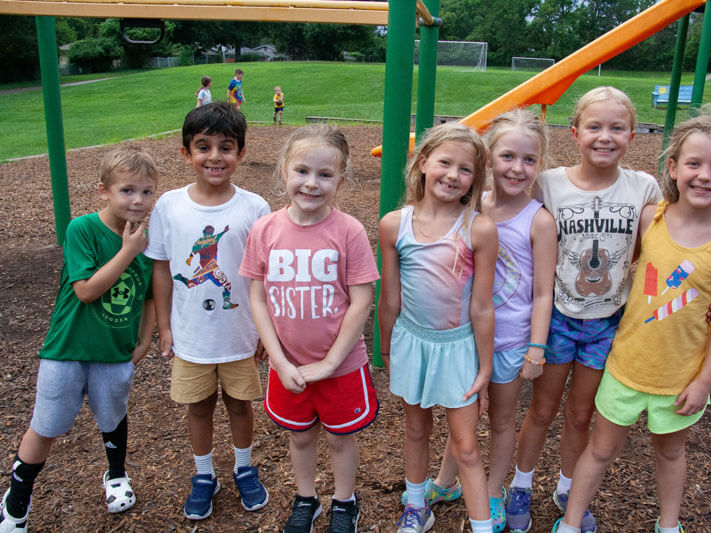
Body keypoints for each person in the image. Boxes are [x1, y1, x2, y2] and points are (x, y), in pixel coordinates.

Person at [553, 107, 711, 533]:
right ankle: (570, 522)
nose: (704, 175)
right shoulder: (651, 218)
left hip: (679, 378)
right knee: (601, 449)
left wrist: (705, 381)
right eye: (694, 163)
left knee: (670, 452)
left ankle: (669, 525)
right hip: (625, 366)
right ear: (673, 167)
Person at [512, 87, 662, 533]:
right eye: (594, 127)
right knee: (542, 409)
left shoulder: (643, 187)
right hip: (558, 315)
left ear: (632, 135)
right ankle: (521, 484)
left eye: (617, 128)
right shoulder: (549, 183)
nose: (605, 137)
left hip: (607, 321)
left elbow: (650, 249)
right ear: (575, 132)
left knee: (581, 414)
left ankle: (566, 486)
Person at [408, 110, 557, 533]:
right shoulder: (474, 205)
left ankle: (492, 493)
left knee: (501, 420)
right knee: (464, 415)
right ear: (490, 158)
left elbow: (544, 291)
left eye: (529, 160)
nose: (518, 167)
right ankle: (445, 482)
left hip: (511, 341)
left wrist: (536, 347)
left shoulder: (538, 220)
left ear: (539, 165)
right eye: (508, 156)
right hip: (464, 337)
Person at [0, 146, 158, 532]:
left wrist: (145, 340)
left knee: (113, 416)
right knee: (47, 424)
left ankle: (116, 474)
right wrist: (128, 251)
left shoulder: (149, 241)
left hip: (115, 350)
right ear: (103, 191)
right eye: (127, 190)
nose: (137, 200)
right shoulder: (83, 229)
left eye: (147, 192)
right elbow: (86, 290)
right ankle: (16, 499)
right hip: (67, 348)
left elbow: (151, 295)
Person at [240, 124, 379, 533]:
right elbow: (258, 298)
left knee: (339, 438)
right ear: (284, 169)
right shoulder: (266, 229)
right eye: (302, 171)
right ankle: (306, 498)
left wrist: (331, 362)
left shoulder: (348, 231)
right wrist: (279, 361)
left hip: (341, 366)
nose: (311, 183)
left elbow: (361, 300)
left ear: (341, 178)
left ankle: (343, 502)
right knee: (300, 437)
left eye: (325, 174)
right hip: (290, 366)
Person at [145, 102, 270, 521]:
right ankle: (204, 475)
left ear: (241, 152)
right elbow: (161, 269)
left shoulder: (255, 208)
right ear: (186, 153)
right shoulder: (169, 205)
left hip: (239, 333)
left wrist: (263, 332)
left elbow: (263, 276)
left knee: (240, 404)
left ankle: (243, 467)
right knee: (197, 407)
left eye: (226, 147)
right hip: (191, 334)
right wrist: (164, 327)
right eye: (203, 147)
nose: (215, 157)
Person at [378, 122, 498, 533]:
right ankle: (416, 505)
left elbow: (482, 307)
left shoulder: (478, 228)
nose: (453, 175)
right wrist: (389, 351)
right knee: (416, 429)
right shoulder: (395, 224)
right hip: (413, 342)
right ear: (423, 162)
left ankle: (482, 525)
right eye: (445, 162)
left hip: (459, 348)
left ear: (474, 179)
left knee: (466, 445)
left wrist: (484, 367)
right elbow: (390, 299)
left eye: (465, 170)